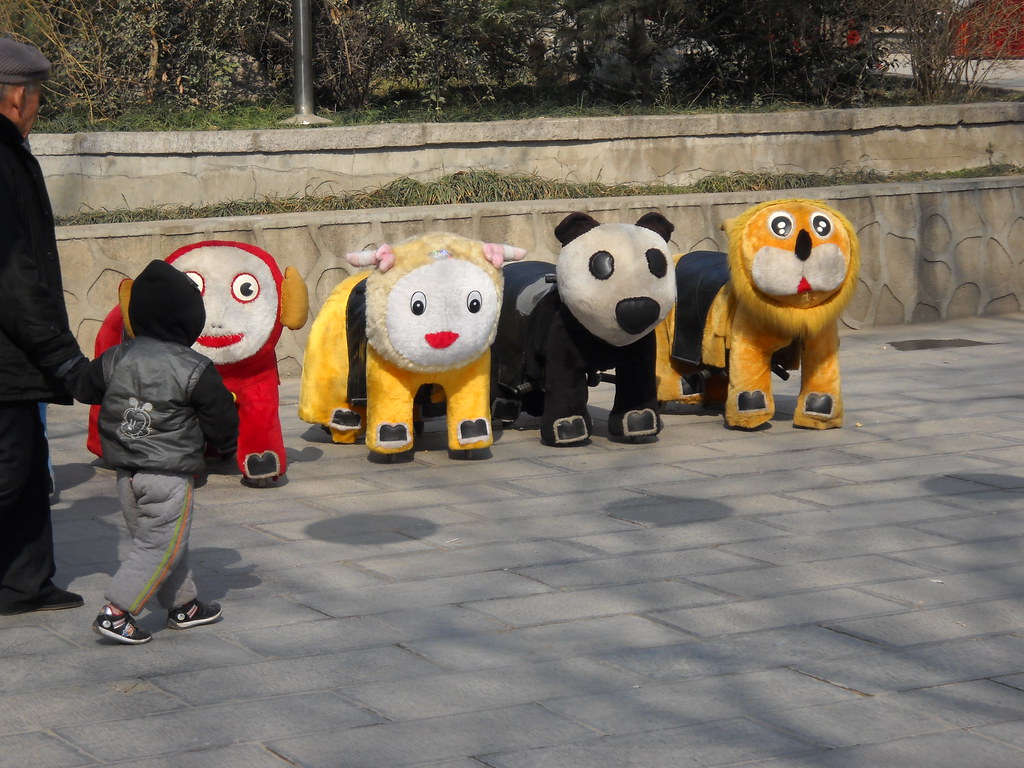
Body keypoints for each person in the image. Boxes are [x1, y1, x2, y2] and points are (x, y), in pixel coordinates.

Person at [65, 259, 238, 645]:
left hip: (125, 474)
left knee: (162, 542)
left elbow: (84, 387)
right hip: (167, 475)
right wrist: (226, 443)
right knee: (159, 545)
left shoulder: (116, 357)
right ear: (190, 319)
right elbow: (221, 416)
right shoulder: (195, 367)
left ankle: (183, 605)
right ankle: (117, 612)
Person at [0, 37, 88, 615]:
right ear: (17, 97)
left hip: (15, 357)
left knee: (28, 468)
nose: (37, 108)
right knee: (8, 471)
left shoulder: (12, 152)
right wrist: (61, 353)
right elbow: (12, 274)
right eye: (37, 97)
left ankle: (23, 585)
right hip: (7, 352)